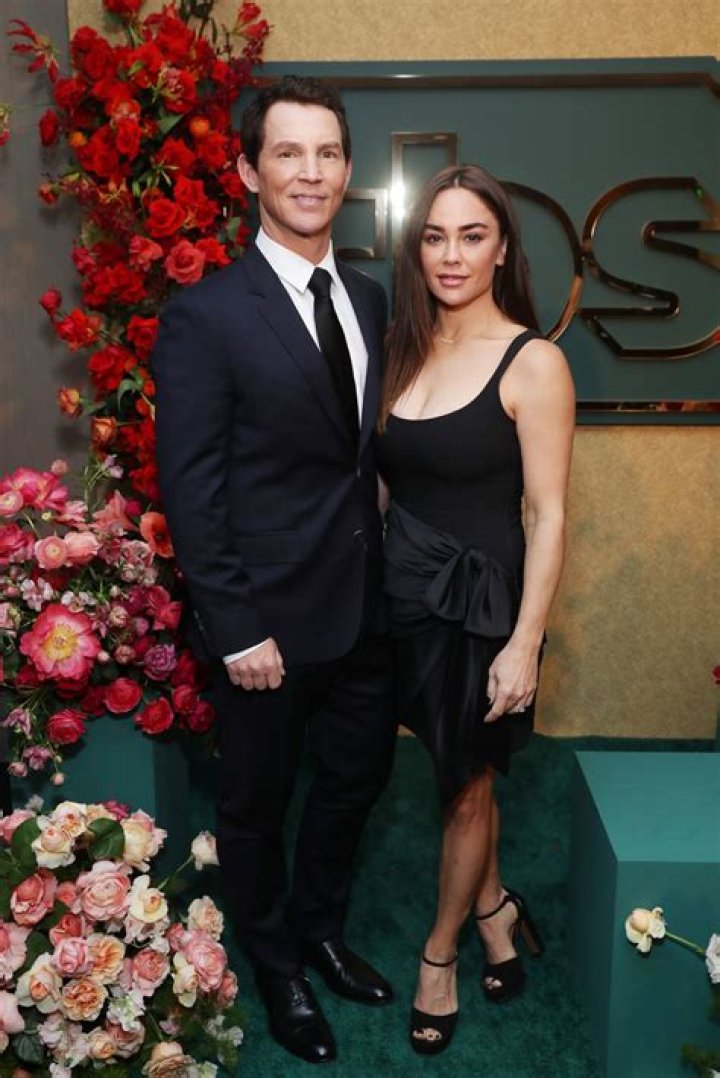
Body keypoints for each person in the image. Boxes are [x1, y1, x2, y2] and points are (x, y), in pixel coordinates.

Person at [152, 75, 397, 1065]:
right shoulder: (206, 315)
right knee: (255, 805)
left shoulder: (371, 299)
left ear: (347, 169)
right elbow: (191, 489)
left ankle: (319, 927)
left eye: (327, 153)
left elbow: (357, 459)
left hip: (364, 610)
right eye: (288, 152)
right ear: (249, 171)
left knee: (357, 780)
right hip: (265, 627)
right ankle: (275, 960)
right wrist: (236, 624)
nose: (310, 171)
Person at [376, 164, 575, 1054]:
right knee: (453, 771)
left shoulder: (534, 360)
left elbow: (549, 513)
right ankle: (496, 910)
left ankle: (439, 954)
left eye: (472, 236)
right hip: (401, 598)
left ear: (501, 251)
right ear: (416, 250)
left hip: (483, 610)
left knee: (465, 787)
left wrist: (525, 642)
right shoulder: (399, 348)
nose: (451, 255)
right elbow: (383, 486)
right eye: (435, 236)